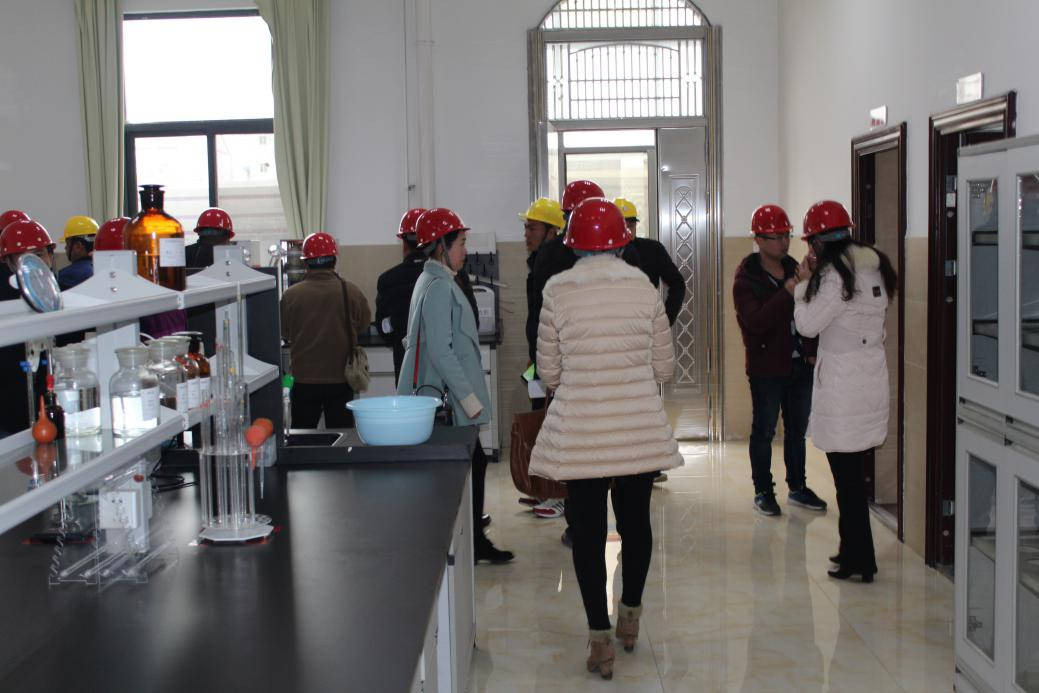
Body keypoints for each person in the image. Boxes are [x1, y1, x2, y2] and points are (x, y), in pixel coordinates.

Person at [529, 198, 681, 679]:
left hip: (583, 432)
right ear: (621, 242)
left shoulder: (556, 291)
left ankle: (599, 638)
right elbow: (664, 368)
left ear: (573, 244)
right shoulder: (644, 287)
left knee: (589, 534)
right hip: (636, 430)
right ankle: (630, 618)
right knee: (636, 525)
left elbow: (549, 372)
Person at [396, 208, 513, 565]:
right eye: (461, 243)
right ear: (441, 246)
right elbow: (441, 352)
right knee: (466, 466)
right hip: (446, 399)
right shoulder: (438, 287)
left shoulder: (435, 279)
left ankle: (472, 539)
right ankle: (465, 543)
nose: (466, 250)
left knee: (471, 464)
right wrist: (470, 399)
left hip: (443, 395)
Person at [793, 200, 897, 584]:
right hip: (870, 379)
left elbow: (807, 325)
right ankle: (852, 549)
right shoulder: (873, 265)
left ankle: (860, 558)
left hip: (843, 386)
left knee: (847, 480)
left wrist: (802, 286)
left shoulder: (835, 275)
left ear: (819, 242)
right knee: (853, 477)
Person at [733, 204, 826, 517]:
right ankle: (763, 491)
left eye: (787, 236)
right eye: (777, 237)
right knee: (764, 431)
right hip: (766, 368)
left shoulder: (794, 268)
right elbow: (756, 322)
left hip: (800, 365)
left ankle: (797, 487)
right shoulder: (746, 279)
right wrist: (788, 290)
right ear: (758, 240)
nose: (784, 243)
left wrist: (811, 350)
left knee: (797, 431)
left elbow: (810, 312)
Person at [529, 180, 605, 541]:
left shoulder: (551, 256)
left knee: (576, 448)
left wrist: (543, 369)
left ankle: (578, 523)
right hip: (593, 369)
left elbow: (538, 322)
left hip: (565, 368)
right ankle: (583, 521)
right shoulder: (607, 258)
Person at [280, 232, 371, 429]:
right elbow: (363, 324)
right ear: (334, 261)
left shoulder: (290, 295)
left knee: (302, 435)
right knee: (341, 436)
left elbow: (285, 332)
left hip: (303, 379)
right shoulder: (351, 291)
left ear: (306, 263)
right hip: (341, 379)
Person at [614, 198, 686, 326]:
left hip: (646, 322)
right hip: (614, 323)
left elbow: (678, 283)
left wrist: (666, 320)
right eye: (622, 226)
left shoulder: (653, 249)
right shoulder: (603, 253)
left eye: (630, 225)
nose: (627, 230)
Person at [375, 208, 428, 381]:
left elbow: (383, 329)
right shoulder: (449, 276)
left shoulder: (388, 279)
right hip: (442, 369)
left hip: (405, 363)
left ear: (404, 244)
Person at [57, 216, 97, 290]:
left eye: (67, 244)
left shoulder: (68, 275)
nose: (65, 248)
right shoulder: (104, 268)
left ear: (78, 246)